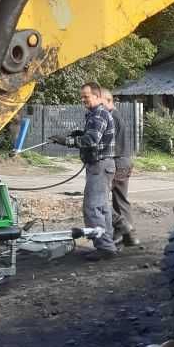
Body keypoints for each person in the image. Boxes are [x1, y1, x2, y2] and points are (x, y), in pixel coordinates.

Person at [72, 82, 118, 259]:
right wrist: (78, 134)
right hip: (101, 165)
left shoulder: (99, 114)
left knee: (92, 208)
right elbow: (91, 135)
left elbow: (92, 140)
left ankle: (105, 248)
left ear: (97, 96)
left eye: (86, 96)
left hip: (100, 166)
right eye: (82, 96)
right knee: (102, 208)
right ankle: (108, 244)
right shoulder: (96, 114)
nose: (83, 99)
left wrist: (67, 141)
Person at [102, 91, 140, 247]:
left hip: (117, 163)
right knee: (121, 200)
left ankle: (120, 230)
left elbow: (103, 143)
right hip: (124, 161)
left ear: (108, 100)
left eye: (100, 102)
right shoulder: (116, 116)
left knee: (99, 200)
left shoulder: (111, 117)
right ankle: (130, 236)